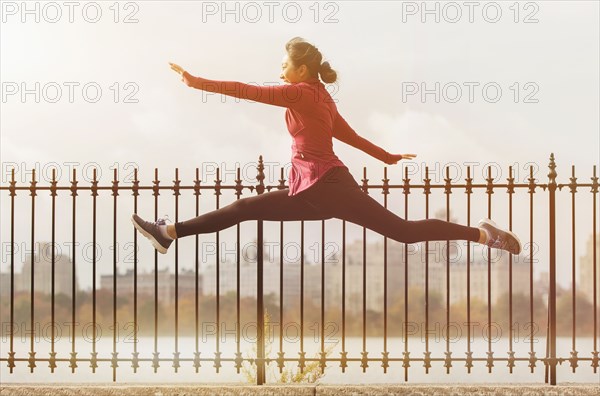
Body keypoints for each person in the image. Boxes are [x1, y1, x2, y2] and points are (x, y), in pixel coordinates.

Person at [131, 37, 521, 256]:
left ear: (301, 71)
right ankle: (170, 233)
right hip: (312, 190)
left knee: (404, 232)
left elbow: (248, 91)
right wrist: (386, 156)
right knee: (246, 207)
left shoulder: (300, 93)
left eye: (284, 64)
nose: (280, 70)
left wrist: (197, 82)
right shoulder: (321, 97)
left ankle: (483, 235)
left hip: (330, 186)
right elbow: (347, 135)